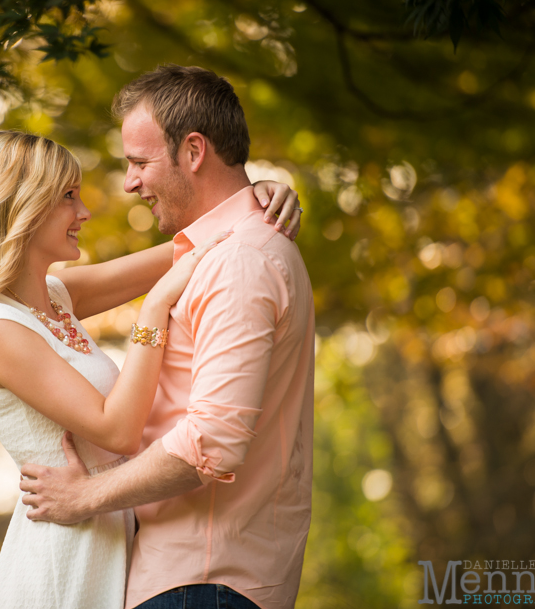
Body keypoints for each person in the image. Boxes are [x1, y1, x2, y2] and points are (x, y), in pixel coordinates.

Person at [0, 129, 302, 609]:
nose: (83, 212)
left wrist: (252, 202)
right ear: (20, 206)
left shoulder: (57, 297)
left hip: (115, 536)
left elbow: (195, 248)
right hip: (65, 557)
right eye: (67, 198)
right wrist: (152, 312)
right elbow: (118, 430)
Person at [19, 65, 316, 609]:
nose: (129, 182)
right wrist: (249, 200)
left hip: (202, 581)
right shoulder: (228, 250)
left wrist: (85, 497)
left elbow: (212, 442)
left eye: (139, 162)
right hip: (196, 577)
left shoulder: (241, 262)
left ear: (194, 150)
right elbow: (62, 290)